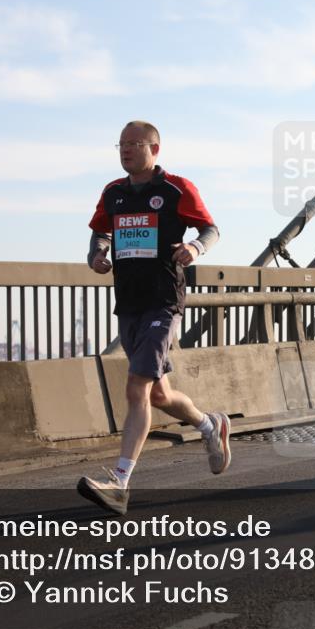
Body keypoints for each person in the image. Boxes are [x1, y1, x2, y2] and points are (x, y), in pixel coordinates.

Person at [78, 120, 230, 515]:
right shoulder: (113, 193)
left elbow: (211, 229)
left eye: (134, 144)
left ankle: (119, 483)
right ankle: (210, 426)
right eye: (121, 145)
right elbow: (100, 233)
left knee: (136, 388)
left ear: (154, 149)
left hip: (163, 301)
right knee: (159, 394)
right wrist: (97, 255)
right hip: (128, 302)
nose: (125, 151)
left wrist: (195, 247)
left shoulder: (176, 189)